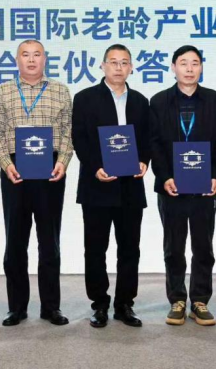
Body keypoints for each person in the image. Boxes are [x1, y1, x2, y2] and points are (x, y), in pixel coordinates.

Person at [0, 40, 74, 326]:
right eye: (25, 55)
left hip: (50, 170)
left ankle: (51, 307)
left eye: (36, 55)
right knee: (15, 241)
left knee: (49, 242)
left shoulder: (60, 91)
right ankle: (16, 307)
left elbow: (68, 132)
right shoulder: (3, 92)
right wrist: (6, 164)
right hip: (14, 170)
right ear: (16, 60)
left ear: (44, 59)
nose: (31, 60)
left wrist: (63, 161)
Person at [149, 45, 216, 327]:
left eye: (195, 63)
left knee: (203, 245)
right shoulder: (159, 101)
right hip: (171, 186)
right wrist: (164, 176)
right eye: (183, 63)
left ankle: (200, 300)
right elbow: (154, 143)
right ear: (173, 67)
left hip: (204, 186)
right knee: (173, 246)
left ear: (201, 67)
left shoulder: (215, 101)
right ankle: (177, 299)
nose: (190, 68)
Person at [72, 44, 150, 328]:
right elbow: (79, 138)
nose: (119, 67)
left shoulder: (141, 101)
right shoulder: (84, 98)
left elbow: (148, 138)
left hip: (131, 186)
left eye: (124, 62)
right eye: (113, 62)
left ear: (131, 67)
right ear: (102, 66)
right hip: (97, 185)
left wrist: (144, 161)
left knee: (130, 249)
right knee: (95, 249)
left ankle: (125, 304)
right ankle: (99, 304)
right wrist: (96, 167)